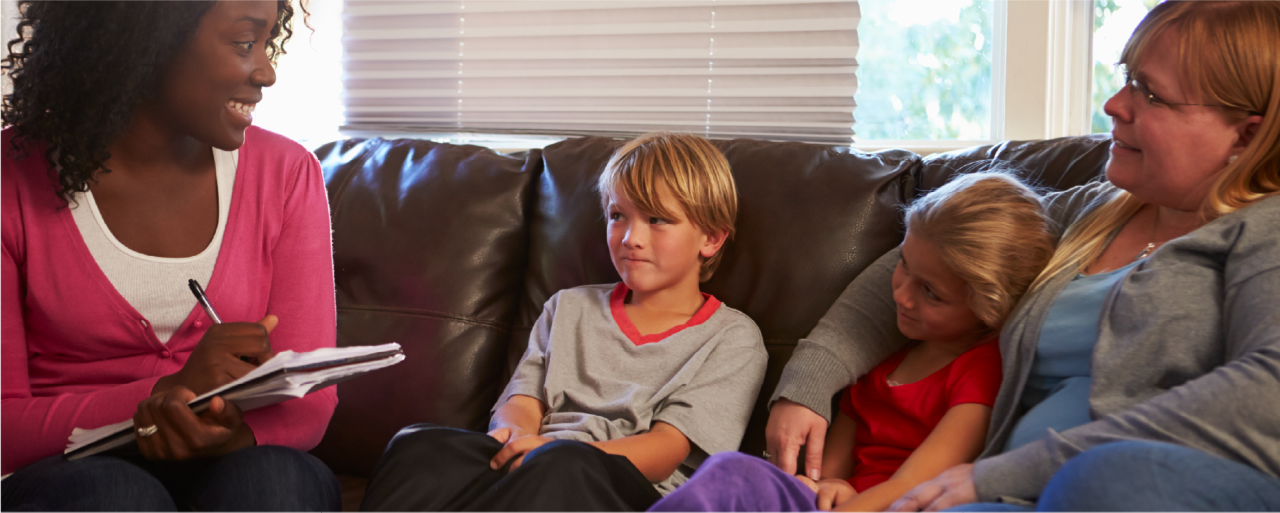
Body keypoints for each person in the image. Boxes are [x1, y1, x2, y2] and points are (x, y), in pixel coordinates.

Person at [767, 1, 1280, 511]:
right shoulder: (1089, 211)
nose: (1114, 105)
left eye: (1150, 93)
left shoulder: (1265, 233)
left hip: (1123, 487)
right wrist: (807, 386)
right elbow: (932, 255)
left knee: (1106, 480)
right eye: (1127, 79)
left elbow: (1267, 391)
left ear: (1247, 134)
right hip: (1000, 489)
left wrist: (1011, 472)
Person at [0, 0, 341, 512]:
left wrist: (225, 435)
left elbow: (310, 399)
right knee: (117, 497)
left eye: (268, 43)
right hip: (67, 474)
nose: (267, 72)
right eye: (245, 43)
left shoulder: (287, 174)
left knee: (276, 483)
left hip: (230, 453)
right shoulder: (10, 181)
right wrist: (161, 396)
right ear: (148, 42)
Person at [357, 132, 768, 513]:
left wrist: (548, 454)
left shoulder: (732, 338)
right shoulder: (568, 307)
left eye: (657, 220)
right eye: (618, 216)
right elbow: (523, 399)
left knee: (564, 465)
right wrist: (516, 439)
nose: (631, 238)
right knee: (418, 445)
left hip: (632, 490)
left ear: (711, 239)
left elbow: (668, 448)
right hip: (540, 463)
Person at [647, 172, 1055, 513]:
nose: (901, 295)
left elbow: (917, 484)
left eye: (930, 292)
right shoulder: (883, 364)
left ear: (991, 308)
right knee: (728, 474)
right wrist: (826, 488)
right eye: (904, 267)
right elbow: (823, 475)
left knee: (732, 474)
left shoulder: (981, 371)